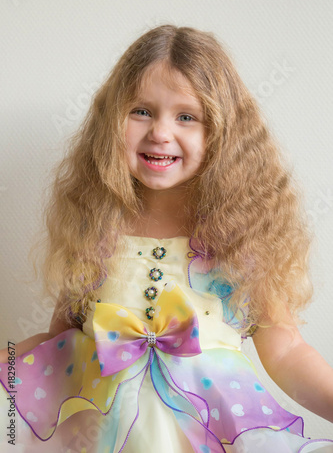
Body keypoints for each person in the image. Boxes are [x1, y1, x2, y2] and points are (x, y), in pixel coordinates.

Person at [0, 24, 332, 453]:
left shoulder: (240, 241)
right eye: (141, 111)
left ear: (223, 134)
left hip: (205, 433)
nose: (160, 132)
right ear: (110, 122)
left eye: (186, 117)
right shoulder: (96, 231)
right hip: (98, 433)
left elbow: (285, 349)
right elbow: (60, 341)